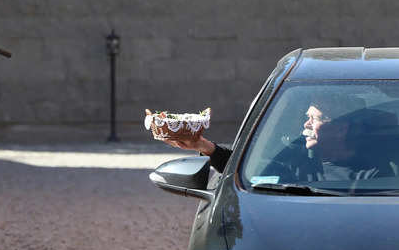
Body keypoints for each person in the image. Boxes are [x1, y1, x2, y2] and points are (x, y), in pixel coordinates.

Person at [162, 95, 390, 181]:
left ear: (341, 128)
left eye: (314, 118)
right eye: (306, 117)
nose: (306, 124)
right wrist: (204, 146)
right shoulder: (293, 156)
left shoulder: (375, 175)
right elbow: (244, 169)